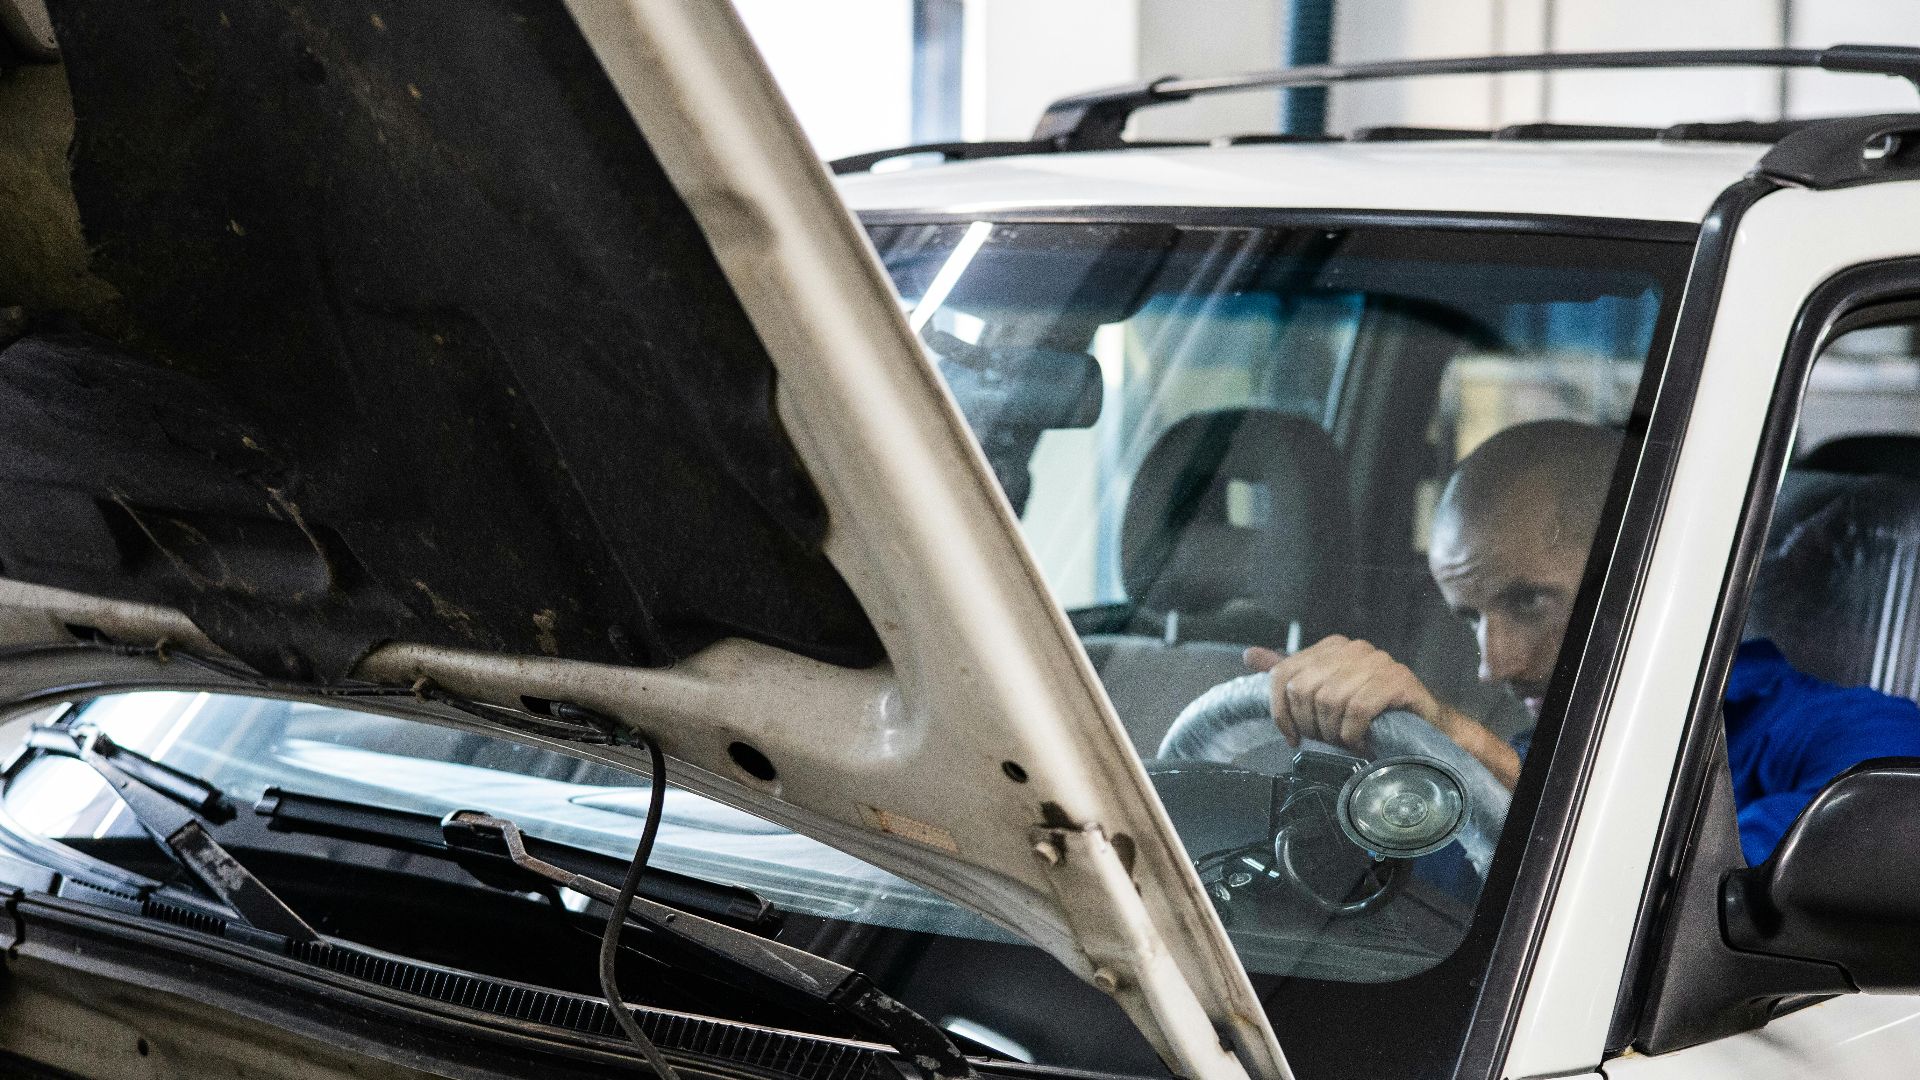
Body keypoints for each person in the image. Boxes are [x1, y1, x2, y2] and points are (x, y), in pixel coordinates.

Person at [1249, 419, 1920, 864]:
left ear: (1654, 575)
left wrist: (1462, 748)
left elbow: (1698, 899)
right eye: (1471, 618)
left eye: (1528, 602)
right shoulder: (1542, 757)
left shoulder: (1861, 735)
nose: (1494, 665)